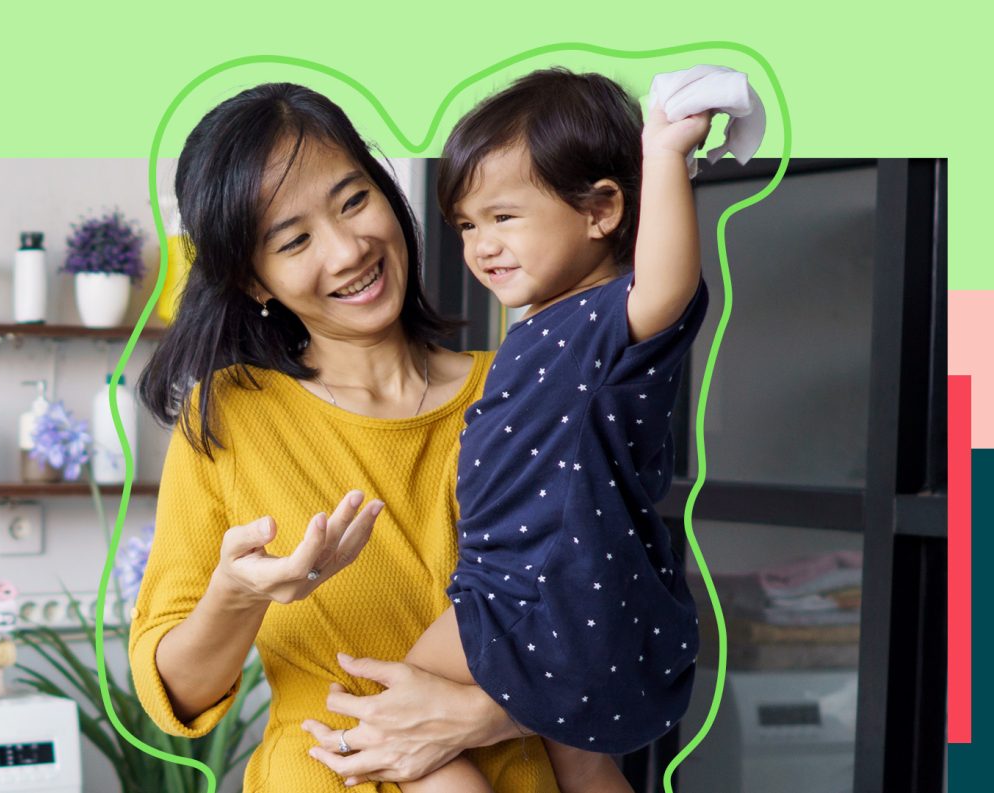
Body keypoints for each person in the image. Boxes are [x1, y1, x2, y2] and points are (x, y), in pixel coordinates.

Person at [129, 82, 561, 792]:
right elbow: (177, 695)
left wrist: (484, 718)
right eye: (294, 240)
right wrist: (237, 594)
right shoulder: (231, 415)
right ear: (255, 280)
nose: (347, 249)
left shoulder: (521, 389)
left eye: (354, 201)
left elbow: (613, 629)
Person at [370, 68, 714, 793]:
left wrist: (663, 155)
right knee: (578, 759)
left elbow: (666, 283)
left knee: (395, 717)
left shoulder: (606, 319)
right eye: (467, 225)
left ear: (601, 211)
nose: (481, 246)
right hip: (549, 583)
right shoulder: (549, 324)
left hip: (537, 589)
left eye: (504, 216)